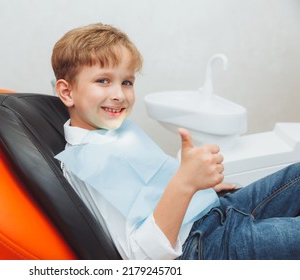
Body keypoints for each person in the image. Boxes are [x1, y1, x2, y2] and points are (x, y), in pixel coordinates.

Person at [51, 23, 300, 259]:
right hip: (201, 245)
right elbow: (143, 258)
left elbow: (147, 191)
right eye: (103, 80)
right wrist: (185, 183)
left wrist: (200, 190)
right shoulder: (88, 162)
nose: (119, 95)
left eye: (126, 82)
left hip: (212, 211)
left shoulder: (111, 132)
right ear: (67, 92)